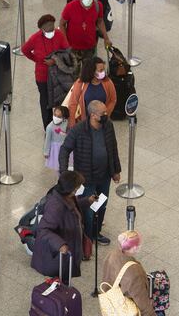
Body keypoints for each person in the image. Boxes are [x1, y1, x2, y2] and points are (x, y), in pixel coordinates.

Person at [59, 100, 121, 245]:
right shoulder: (78, 130)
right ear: (93, 115)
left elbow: (113, 148)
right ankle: (87, 238)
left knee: (101, 205)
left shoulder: (108, 125)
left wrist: (116, 171)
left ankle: (96, 232)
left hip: (104, 176)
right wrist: (64, 173)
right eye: (103, 113)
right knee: (89, 209)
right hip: (88, 178)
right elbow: (65, 149)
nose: (106, 115)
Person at [31, 171, 95, 282]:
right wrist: (60, 244)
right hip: (56, 255)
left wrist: (87, 201)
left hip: (68, 247)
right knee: (59, 282)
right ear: (68, 189)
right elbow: (43, 230)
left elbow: (72, 208)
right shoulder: (55, 206)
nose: (77, 191)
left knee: (65, 280)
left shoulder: (67, 196)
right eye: (76, 189)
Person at [22, 14, 70, 128]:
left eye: (52, 29)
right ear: (42, 30)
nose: (51, 32)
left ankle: (61, 122)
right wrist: (37, 60)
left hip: (58, 74)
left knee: (60, 98)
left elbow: (67, 51)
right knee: (46, 101)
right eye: (48, 30)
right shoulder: (35, 38)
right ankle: (48, 126)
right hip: (42, 76)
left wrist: (55, 61)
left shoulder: (59, 34)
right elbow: (25, 50)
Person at [101, 231, 157, 316]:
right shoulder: (135, 273)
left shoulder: (112, 254)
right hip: (125, 309)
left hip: (111, 300)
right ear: (134, 248)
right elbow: (143, 304)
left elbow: (106, 277)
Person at [59, 0, 111, 75]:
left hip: (90, 47)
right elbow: (62, 24)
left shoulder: (98, 5)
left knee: (89, 74)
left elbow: (100, 21)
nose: (88, 1)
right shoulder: (70, 7)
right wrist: (65, 43)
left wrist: (106, 37)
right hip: (73, 48)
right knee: (74, 75)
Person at [66, 56, 117, 128]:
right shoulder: (80, 83)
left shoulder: (107, 82)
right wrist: (71, 121)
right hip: (85, 123)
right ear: (92, 71)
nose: (103, 72)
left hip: (103, 123)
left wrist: (105, 114)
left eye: (103, 70)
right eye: (100, 70)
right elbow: (73, 103)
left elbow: (113, 99)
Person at [44, 106, 70, 175]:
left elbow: (67, 133)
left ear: (64, 118)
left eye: (59, 116)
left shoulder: (66, 123)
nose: (56, 118)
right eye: (55, 115)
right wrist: (46, 152)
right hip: (56, 150)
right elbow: (47, 141)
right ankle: (60, 178)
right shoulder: (49, 127)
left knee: (66, 163)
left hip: (65, 146)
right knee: (58, 166)